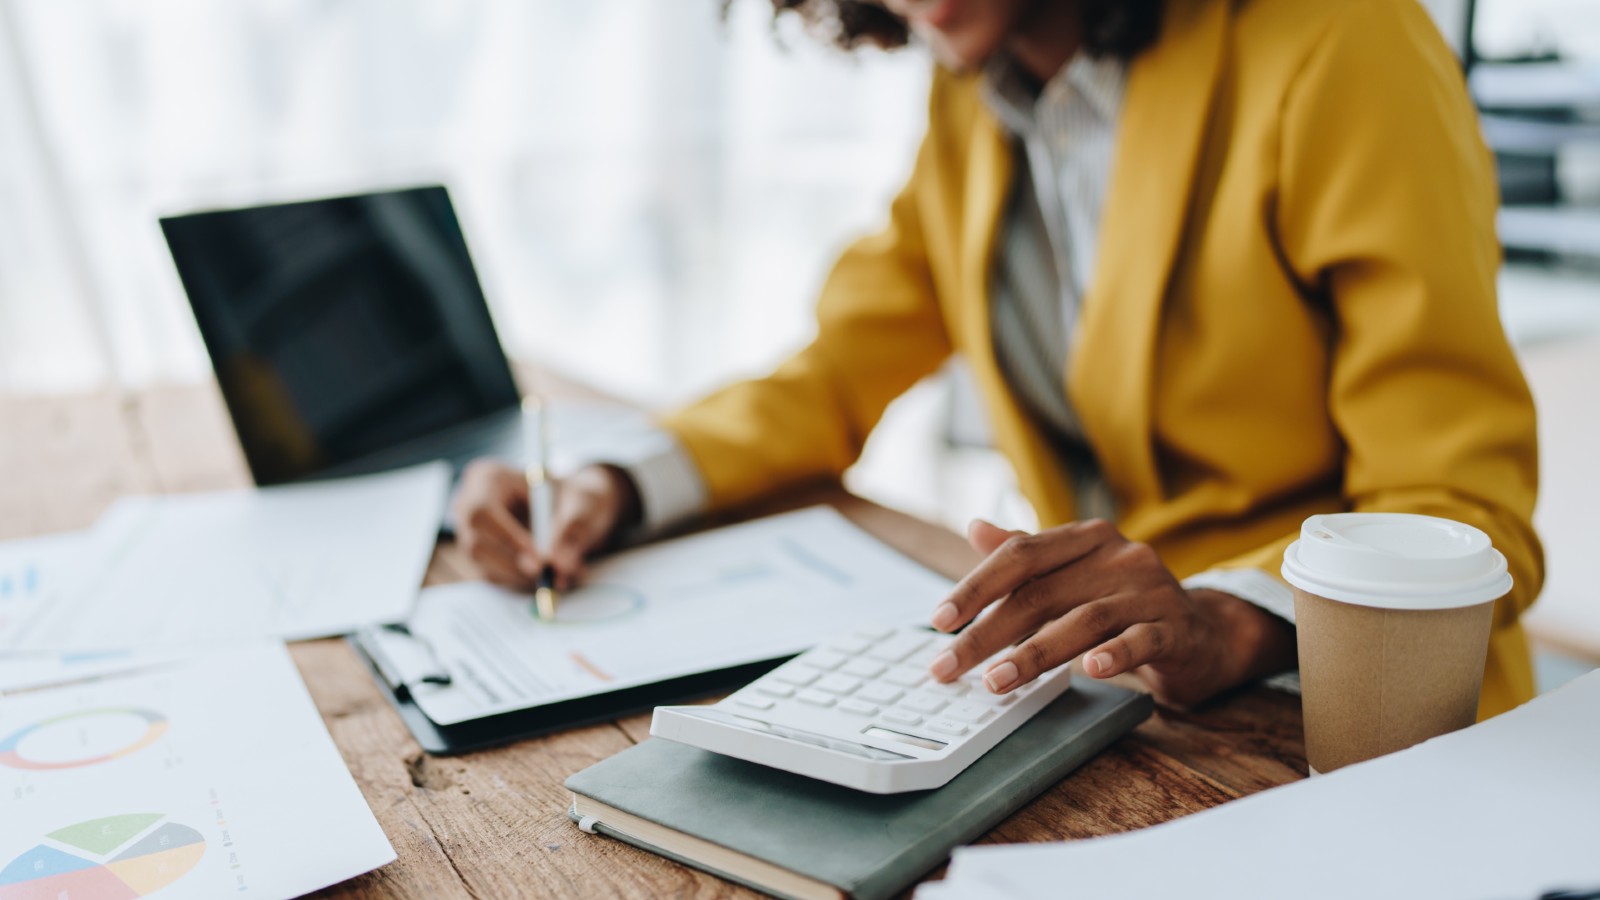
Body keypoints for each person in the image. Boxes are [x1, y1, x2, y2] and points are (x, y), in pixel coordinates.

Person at [454, 0, 1542, 717]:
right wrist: (610, 484)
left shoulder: (1339, 41)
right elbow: (836, 374)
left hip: (1352, 716)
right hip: (1112, 699)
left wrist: (1220, 618)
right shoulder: (979, 86)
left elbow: (1458, 514)